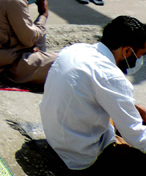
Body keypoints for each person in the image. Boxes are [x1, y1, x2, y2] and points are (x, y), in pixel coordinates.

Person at [40, 16, 146, 172]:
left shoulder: (76, 50)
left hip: (56, 139)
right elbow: (137, 137)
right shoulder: (111, 77)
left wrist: (133, 108)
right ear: (127, 51)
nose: (140, 60)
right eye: (141, 55)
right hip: (80, 158)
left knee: (126, 114)